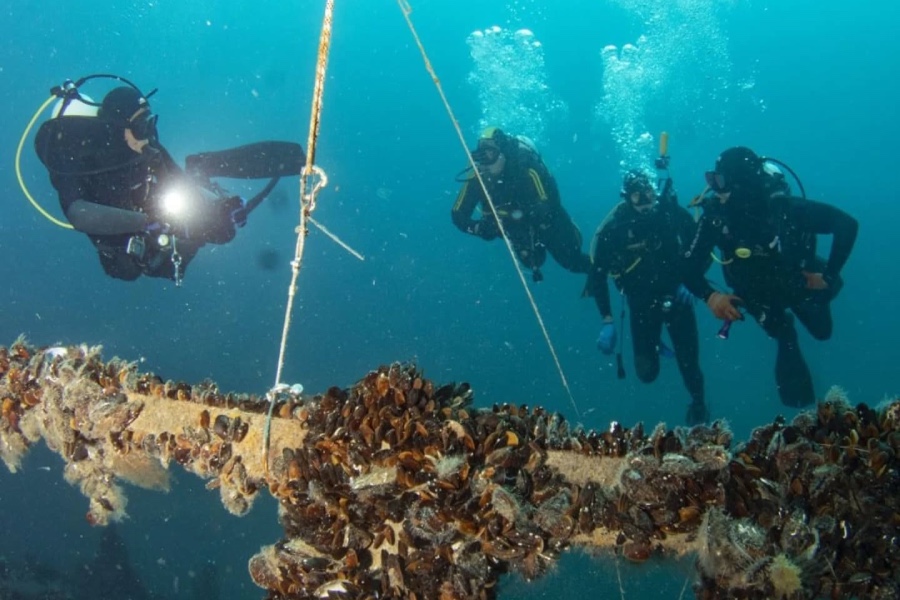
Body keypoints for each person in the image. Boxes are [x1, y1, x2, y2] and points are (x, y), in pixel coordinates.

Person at [34, 80, 305, 284]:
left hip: (149, 216)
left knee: (201, 220)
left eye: (151, 124)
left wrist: (219, 212)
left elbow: (181, 192)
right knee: (131, 268)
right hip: (119, 236)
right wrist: (150, 222)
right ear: (117, 129)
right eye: (141, 128)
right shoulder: (80, 160)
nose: (149, 136)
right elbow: (78, 214)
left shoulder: (146, 150)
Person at [682, 146, 859, 408]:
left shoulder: (783, 209)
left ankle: (819, 293)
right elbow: (687, 268)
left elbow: (846, 225)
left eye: (719, 181)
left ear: (741, 184)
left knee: (823, 332)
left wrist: (829, 277)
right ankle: (802, 401)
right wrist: (711, 297)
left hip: (797, 281)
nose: (712, 189)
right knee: (783, 335)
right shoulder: (715, 219)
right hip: (755, 293)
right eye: (712, 180)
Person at [585, 169, 709, 425]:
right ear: (627, 198)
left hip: (678, 299)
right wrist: (607, 320)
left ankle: (699, 406)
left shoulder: (672, 214)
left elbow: (703, 248)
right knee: (646, 373)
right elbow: (597, 275)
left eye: (649, 194)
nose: (645, 202)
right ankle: (654, 344)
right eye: (637, 196)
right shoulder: (616, 228)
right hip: (641, 306)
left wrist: (691, 282)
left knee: (690, 365)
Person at [451, 127, 590, 282]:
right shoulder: (478, 177)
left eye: (490, 154)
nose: (485, 164)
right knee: (533, 263)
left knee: (570, 261)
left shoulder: (524, 167)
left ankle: (599, 269)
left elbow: (548, 203)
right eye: (480, 156)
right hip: (517, 229)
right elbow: (457, 214)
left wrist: (512, 216)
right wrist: (478, 228)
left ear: (502, 153)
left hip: (547, 222)